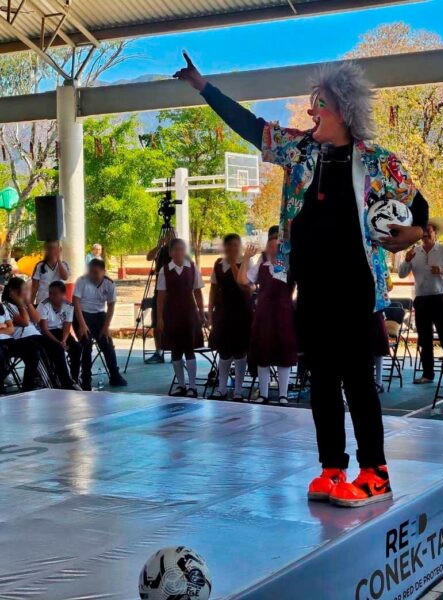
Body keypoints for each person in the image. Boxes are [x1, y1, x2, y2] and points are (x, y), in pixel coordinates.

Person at [174, 54, 428, 507]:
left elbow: (420, 208)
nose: (312, 110)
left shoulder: (377, 162)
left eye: (321, 104)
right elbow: (251, 127)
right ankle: (332, 467)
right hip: (310, 287)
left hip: (354, 288)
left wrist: (414, 232)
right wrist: (203, 87)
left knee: (357, 381)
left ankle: (375, 472)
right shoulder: (298, 150)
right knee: (323, 381)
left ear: (344, 111)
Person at [398, 217, 443, 386]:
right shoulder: (414, 252)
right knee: (424, 338)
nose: (425, 234)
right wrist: (407, 260)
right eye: (423, 232)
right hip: (421, 299)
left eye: (429, 231)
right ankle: (428, 374)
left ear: (435, 233)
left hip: (439, 298)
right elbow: (401, 274)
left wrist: (442, 270)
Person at [238, 239, 297, 405]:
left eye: (277, 246)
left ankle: (283, 395)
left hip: (283, 314)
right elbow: (243, 281)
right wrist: (245, 258)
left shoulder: (288, 264)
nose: (273, 249)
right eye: (270, 246)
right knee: (262, 352)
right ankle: (263, 394)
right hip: (264, 315)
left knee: (283, 353)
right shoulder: (261, 265)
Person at [156, 238, 205, 397]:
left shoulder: (192, 267)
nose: (179, 252)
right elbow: (161, 296)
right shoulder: (164, 270)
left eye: (181, 249)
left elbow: (198, 291)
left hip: (189, 313)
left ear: (185, 252)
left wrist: (201, 312)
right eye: (175, 250)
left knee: (189, 349)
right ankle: (181, 385)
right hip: (172, 314)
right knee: (176, 351)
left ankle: (193, 387)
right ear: (170, 253)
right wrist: (160, 318)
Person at [208, 234, 252, 401]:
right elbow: (213, 289)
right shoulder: (218, 264)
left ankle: (238, 391)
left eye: (235, 245)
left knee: (240, 351)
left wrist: (234, 264)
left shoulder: (246, 262)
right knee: (224, 351)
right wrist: (210, 313)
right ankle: (221, 388)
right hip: (223, 313)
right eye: (229, 245)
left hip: (242, 313)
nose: (232, 248)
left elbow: (243, 285)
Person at [73, 259, 127, 390]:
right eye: (91, 272)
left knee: (107, 342)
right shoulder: (81, 281)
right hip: (82, 314)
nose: (93, 275)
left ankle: (114, 374)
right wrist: (82, 325)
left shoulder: (109, 283)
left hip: (99, 315)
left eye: (96, 273)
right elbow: (76, 303)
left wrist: (106, 327)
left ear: (103, 272)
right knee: (86, 344)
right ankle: (86, 378)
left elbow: (111, 306)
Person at [37, 281, 82, 390]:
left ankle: (75, 378)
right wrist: (59, 343)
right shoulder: (44, 305)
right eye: (50, 293)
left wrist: (64, 340)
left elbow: (67, 326)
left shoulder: (69, 305)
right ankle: (65, 381)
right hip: (46, 334)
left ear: (63, 294)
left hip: (61, 332)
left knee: (77, 347)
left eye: (55, 293)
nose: (52, 296)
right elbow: (44, 329)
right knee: (58, 349)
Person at [2, 277, 42, 391]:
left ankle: (61, 380)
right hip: (22, 339)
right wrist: (20, 303)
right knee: (35, 351)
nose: (26, 292)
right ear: (13, 291)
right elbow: (24, 322)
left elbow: (37, 319)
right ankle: (31, 385)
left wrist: (27, 303)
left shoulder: (25, 305)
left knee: (54, 347)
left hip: (35, 336)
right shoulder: (7, 305)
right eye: (24, 289)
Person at [145, 229, 175, 365]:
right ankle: (159, 352)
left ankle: (175, 352)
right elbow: (149, 257)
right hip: (159, 290)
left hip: (174, 292)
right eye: (167, 236)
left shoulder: (178, 250)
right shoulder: (161, 250)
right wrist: (159, 245)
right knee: (157, 322)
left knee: (174, 323)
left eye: (171, 236)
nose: (169, 238)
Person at [31, 240, 70, 305]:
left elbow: (65, 277)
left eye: (54, 248)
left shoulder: (64, 264)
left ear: (59, 249)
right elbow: (34, 287)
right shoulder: (40, 266)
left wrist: (58, 259)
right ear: (45, 249)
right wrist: (31, 304)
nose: (52, 251)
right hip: (42, 302)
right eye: (49, 248)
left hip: (58, 302)